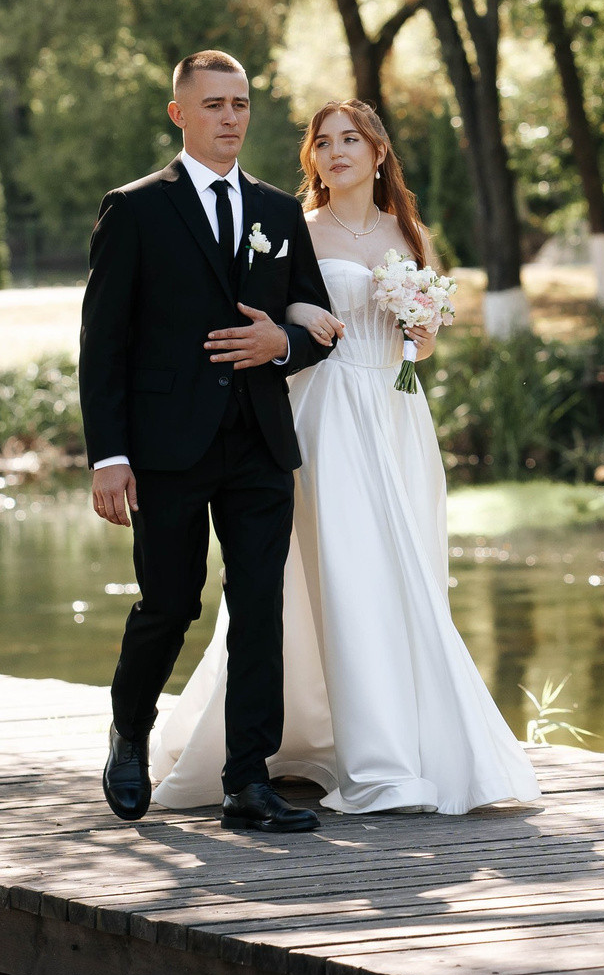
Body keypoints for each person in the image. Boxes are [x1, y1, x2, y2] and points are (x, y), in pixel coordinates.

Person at [148, 99, 541, 816]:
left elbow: (424, 344)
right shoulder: (296, 226)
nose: (335, 152)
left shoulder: (407, 232)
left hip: (396, 412)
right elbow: (265, 310)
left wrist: (422, 326)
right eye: (323, 142)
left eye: (350, 139)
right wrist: (301, 314)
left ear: (378, 152)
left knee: (401, 571)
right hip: (326, 410)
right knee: (334, 572)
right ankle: (344, 751)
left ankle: (401, 740)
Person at [80, 51, 333, 834]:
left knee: (259, 606)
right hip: (166, 445)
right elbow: (102, 342)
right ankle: (130, 729)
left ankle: (247, 780)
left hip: (260, 442)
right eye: (215, 103)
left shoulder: (277, 213)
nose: (231, 116)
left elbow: (316, 321)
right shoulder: (134, 209)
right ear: (179, 113)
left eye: (241, 103)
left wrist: (283, 345)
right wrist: (109, 455)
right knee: (170, 600)